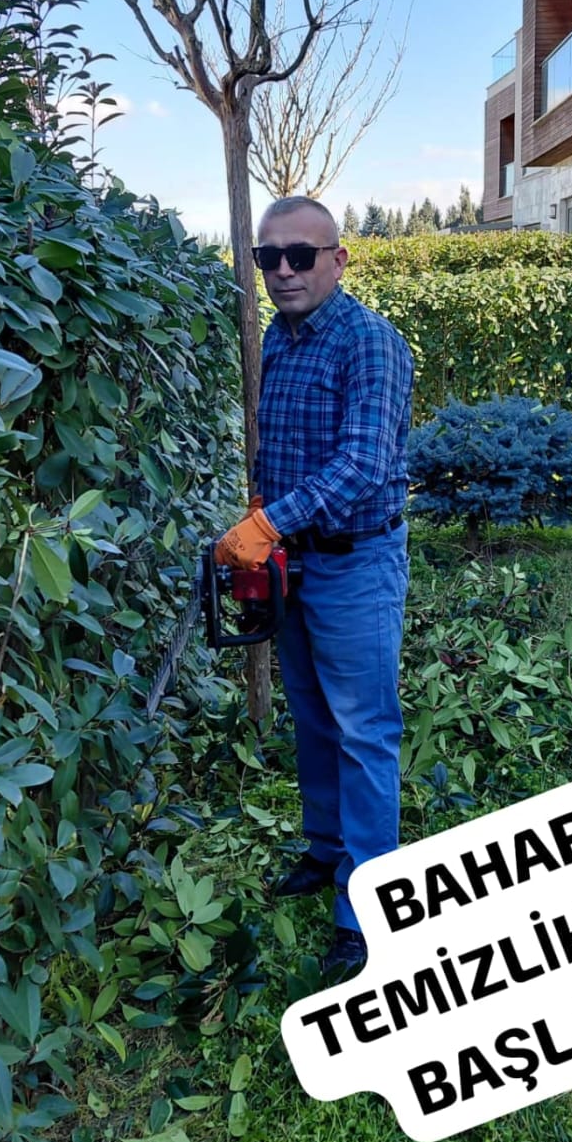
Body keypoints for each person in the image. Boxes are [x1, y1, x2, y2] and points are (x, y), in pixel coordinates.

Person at [215, 196, 414, 982]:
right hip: (293, 558)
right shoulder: (280, 336)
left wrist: (268, 524)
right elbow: (282, 445)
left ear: (338, 259)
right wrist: (263, 510)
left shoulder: (369, 343)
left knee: (364, 731)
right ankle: (326, 849)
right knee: (314, 718)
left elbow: (362, 466)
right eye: (268, 257)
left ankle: (365, 906)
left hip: (354, 560)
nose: (284, 270)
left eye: (301, 255)